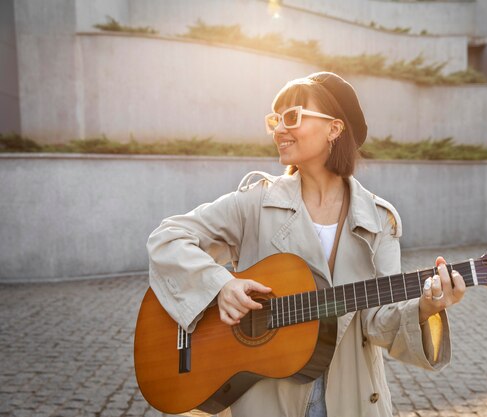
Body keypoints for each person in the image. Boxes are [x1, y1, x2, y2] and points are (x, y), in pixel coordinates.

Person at [147, 72, 466, 417]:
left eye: (292, 117)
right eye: (275, 119)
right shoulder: (254, 203)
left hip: (352, 397)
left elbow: (377, 322)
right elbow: (167, 238)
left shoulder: (379, 219)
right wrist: (220, 285)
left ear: (334, 128)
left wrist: (425, 308)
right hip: (266, 400)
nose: (278, 130)